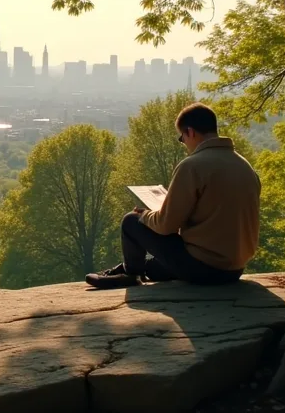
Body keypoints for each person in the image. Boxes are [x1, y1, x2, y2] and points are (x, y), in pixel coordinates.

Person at [86, 103, 260, 290]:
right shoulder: (245, 166)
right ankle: (133, 270)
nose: (184, 143)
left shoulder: (193, 166)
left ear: (190, 132)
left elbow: (166, 225)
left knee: (131, 221)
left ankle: (130, 275)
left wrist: (145, 215)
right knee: (153, 269)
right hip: (234, 269)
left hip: (203, 267)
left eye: (182, 137)